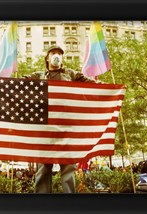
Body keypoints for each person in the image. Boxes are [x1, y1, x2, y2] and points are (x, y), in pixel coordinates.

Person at [24, 46, 97, 193]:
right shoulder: (38, 75)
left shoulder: (71, 74)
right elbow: (23, 82)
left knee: (68, 166)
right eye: (53, 53)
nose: (57, 55)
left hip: (66, 125)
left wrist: (108, 87)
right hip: (46, 127)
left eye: (59, 54)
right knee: (44, 167)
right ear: (47, 57)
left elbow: (88, 82)